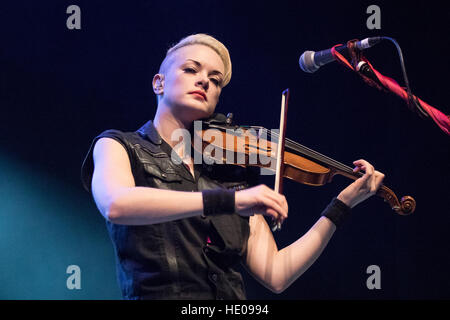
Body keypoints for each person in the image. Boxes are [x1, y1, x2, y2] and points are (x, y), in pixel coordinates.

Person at [81, 33, 385, 300]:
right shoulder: (118, 145)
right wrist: (229, 202)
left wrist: (341, 205)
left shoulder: (229, 175)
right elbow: (116, 204)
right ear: (158, 83)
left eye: (215, 80)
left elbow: (277, 274)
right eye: (191, 69)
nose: (204, 81)